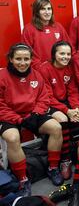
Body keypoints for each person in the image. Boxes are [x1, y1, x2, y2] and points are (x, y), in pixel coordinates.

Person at [0, 43, 64, 195]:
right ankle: (22, 178)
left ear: (30, 60)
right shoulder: (2, 77)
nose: (23, 63)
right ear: (10, 59)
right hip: (10, 116)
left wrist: (35, 114)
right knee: (13, 137)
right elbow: (0, 106)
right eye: (18, 59)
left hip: (32, 114)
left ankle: (53, 167)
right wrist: (18, 120)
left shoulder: (36, 74)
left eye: (26, 59)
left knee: (56, 128)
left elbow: (44, 98)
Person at [39, 41, 79, 180]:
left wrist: (74, 108)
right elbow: (47, 96)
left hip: (67, 102)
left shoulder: (69, 68)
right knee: (62, 119)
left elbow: (73, 91)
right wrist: (67, 111)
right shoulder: (44, 69)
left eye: (68, 54)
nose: (66, 57)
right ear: (54, 54)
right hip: (49, 103)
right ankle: (65, 159)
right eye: (62, 53)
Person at [21, 0, 70, 69]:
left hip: (59, 67)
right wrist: (40, 67)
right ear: (37, 12)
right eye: (43, 9)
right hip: (40, 69)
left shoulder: (58, 26)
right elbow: (26, 52)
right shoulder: (29, 29)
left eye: (49, 9)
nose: (47, 12)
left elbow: (68, 46)